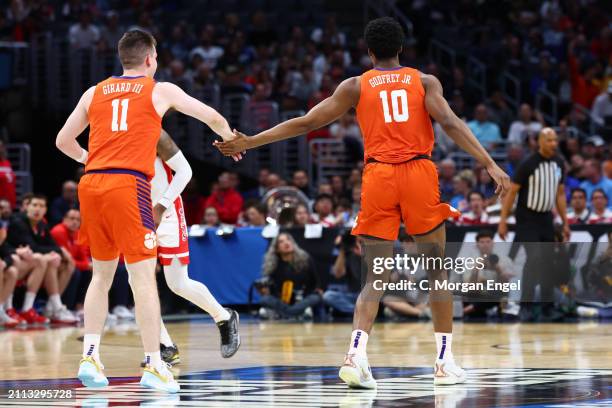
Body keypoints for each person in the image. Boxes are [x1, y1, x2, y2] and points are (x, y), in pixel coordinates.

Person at [215, 17, 510, 387]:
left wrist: (249, 141)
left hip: (379, 177)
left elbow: (306, 123)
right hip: (418, 173)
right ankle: (443, 362)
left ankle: (356, 355)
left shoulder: (355, 85)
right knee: (436, 269)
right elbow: (450, 122)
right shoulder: (423, 81)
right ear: (401, 48)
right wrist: (490, 163)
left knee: (376, 275)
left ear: (369, 52)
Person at [55, 29, 239, 392]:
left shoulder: (94, 92)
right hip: (129, 186)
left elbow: (62, 140)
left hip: (91, 185)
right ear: (151, 59)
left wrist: (88, 158)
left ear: (122, 58)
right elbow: (212, 115)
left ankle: (90, 357)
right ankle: (155, 365)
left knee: (101, 277)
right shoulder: (160, 89)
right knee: (142, 280)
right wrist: (231, 141)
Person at [145, 130, 240, 366]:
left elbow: (185, 172)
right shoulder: (116, 135)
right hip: (135, 215)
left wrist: (160, 206)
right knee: (138, 283)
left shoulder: (155, 134)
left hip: (165, 214)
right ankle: (165, 345)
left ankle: (224, 317)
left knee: (177, 284)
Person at [498, 128, 570, 321]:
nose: (553, 144)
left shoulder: (559, 163)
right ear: (539, 142)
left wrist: (565, 223)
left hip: (546, 217)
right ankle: (526, 306)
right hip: (527, 218)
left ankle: (548, 307)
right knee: (535, 258)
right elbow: (511, 193)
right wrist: (503, 221)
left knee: (547, 261)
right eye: (549, 140)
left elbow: (560, 194)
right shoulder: (528, 164)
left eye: (555, 140)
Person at [7, 194, 78, 324]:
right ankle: (28, 308)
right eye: (34, 205)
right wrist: (54, 252)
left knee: (69, 264)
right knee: (43, 259)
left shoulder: (41, 224)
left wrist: (58, 251)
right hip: (14, 263)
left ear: (45, 210)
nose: (37, 209)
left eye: (41, 206)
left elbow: (53, 246)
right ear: (26, 207)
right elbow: (32, 247)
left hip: (30, 264)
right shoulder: (18, 222)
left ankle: (52, 307)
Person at [257, 233, 323, 319]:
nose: (286, 243)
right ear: (276, 249)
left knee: (316, 298)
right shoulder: (273, 265)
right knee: (264, 299)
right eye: (281, 242)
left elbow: (316, 282)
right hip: (282, 301)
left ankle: (284, 313)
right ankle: (297, 313)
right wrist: (264, 290)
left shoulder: (305, 259)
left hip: (302, 299)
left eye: (288, 240)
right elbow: (271, 290)